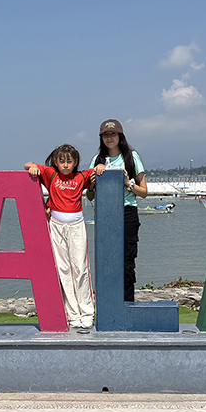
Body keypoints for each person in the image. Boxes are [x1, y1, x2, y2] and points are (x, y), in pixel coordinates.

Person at [25, 145, 105, 329]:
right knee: (63, 269)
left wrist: (100, 167)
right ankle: (72, 313)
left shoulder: (81, 177)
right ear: (56, 162)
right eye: (62, 161)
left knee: (80, 268)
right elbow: (27, 164)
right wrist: (33, 167)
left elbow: (97, 170)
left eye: (69, 161)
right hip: (56, 226)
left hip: (76, 226)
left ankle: (87, 312)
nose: (66, 165)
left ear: (75, 162)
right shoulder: (51, 174)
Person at [89, 119, 148, 301]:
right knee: (106, 259)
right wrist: (92, 184)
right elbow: (89, 196)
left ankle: (127, 302)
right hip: (105, 214)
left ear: (120, 136)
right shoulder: (97, 160)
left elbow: (144, 192)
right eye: (105, 135)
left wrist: (127, 183)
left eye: (113, 134)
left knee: (127, 260)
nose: (109, 138)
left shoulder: (131, 157)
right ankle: (108, 302)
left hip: (127, 212)